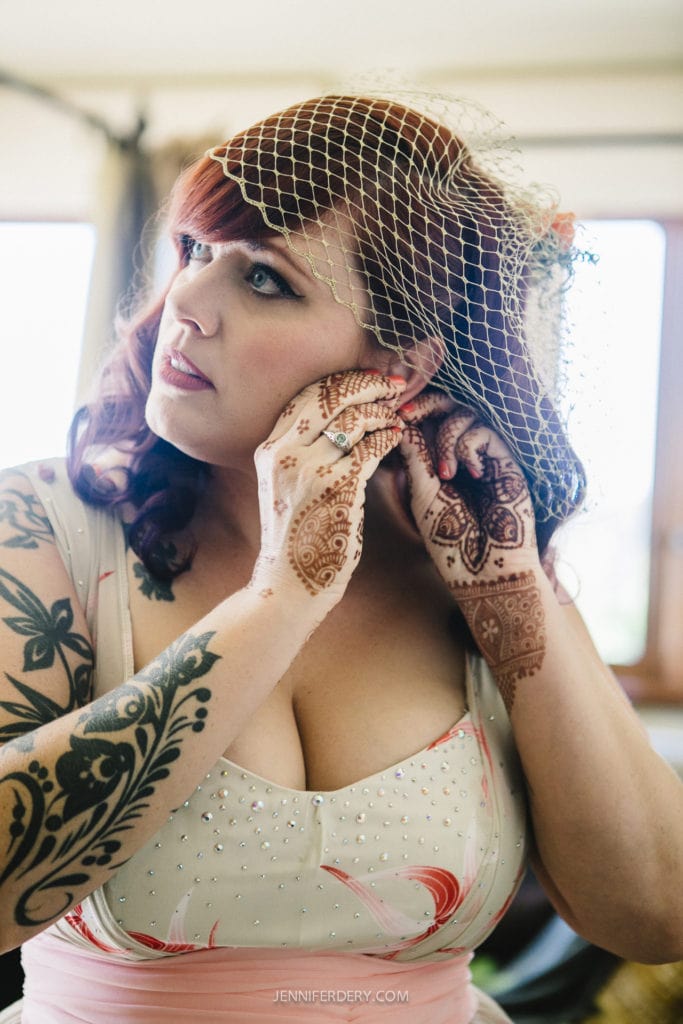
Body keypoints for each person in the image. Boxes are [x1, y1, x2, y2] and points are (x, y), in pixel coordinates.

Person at [0, 91, 681, 1024]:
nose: (187, 304)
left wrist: (512, 592)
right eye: (196, 252)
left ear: (396, 365)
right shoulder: (44, 526)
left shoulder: (476, 560)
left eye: (265, 280)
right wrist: (282, 597)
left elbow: (654, 913)